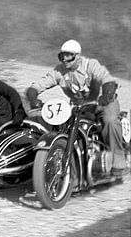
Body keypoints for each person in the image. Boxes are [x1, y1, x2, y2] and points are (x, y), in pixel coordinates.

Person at [26, 39, 127, 176]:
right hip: (80, 107)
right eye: (62, 56)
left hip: (103, 103)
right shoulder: (59, 71)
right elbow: (40, 84)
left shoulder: (90, 65)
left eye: (68, 56)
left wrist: (107, 93)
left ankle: (118, 161)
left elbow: (105, 78)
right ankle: (72, 170)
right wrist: (33, 96)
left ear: (77, 56)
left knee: (110, 121)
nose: (65, 60)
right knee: (64, 128)